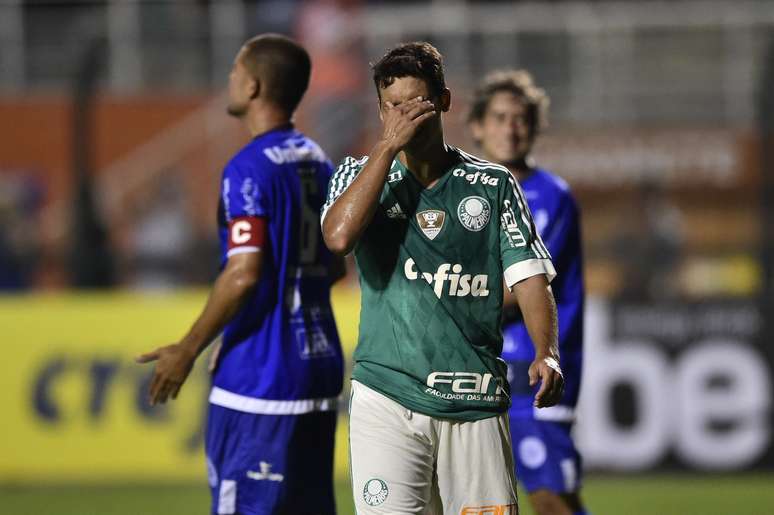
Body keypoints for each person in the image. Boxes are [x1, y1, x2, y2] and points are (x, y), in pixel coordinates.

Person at [322, 42, 563, 514]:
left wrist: (546, 352)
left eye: (418, 103)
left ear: (445, 101)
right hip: (386, 398)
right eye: (394, 106)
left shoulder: (492, 185)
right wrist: (386, 147)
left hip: (473, 399)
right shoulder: (357, 174)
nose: (405, 115)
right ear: (379, 109)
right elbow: (337, 237)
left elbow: (530, 275)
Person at [136, 34, 344, 515]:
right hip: (318, 366)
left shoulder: (247, 168)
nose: (229, 78)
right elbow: (332, 264)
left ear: (251, 86)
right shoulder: (319, 160)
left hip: (261, 376)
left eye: (234, 71)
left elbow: (243, 272)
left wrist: (188, 349)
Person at [469, 69, 588, 515]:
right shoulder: (469, 193)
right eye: (499, 117)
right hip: (484, 365)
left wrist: (451, 309)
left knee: (552, 499)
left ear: (535, 128)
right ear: (478, 126)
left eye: (520, 119)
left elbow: (529, 284)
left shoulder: (551, 196)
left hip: (535, 368)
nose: (510, 128)